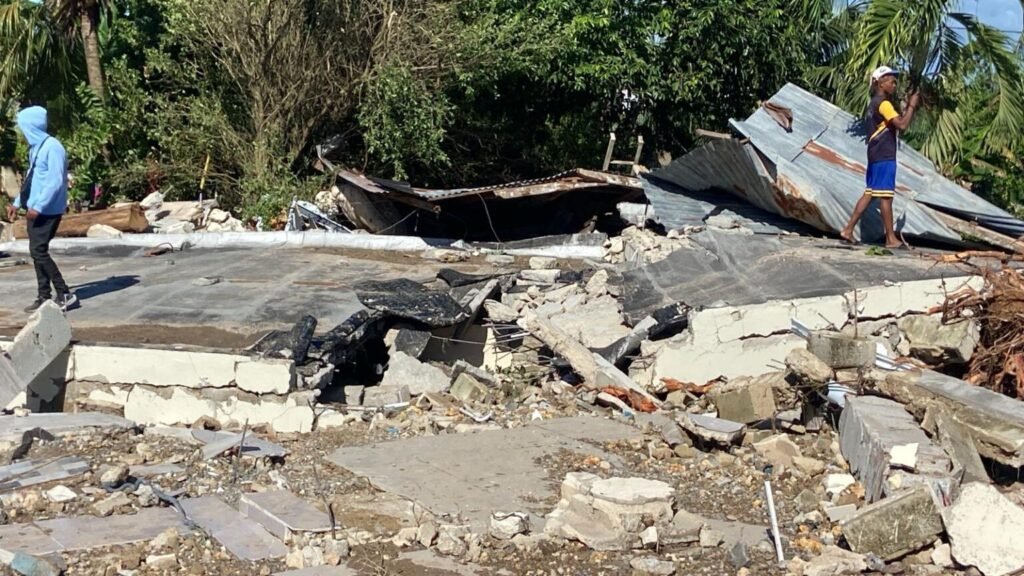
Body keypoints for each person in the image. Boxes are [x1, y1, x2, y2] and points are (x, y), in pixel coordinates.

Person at [5, 106, 77, 312]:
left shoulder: (53, 147)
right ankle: (44, 295)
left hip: (47, 210)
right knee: (36, 252)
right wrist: (18, 202)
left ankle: (64, 293)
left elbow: (55, 181)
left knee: (39, 251)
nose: (22, 133)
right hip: (35, 209)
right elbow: (32, 180)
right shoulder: (36, 148)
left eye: (23, 128)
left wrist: (39, 206)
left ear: (32, 127)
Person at [839, 65, 921, 248]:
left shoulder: (873, 103)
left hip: (874, 154)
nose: (894, 85)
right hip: (884, 155)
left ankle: (848, 229)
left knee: (870, 193)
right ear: (881, 83)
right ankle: (891, 239)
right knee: (886, 196)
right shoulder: (883, 104)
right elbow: (902, 124)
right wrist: (912, 105)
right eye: (892, 81)